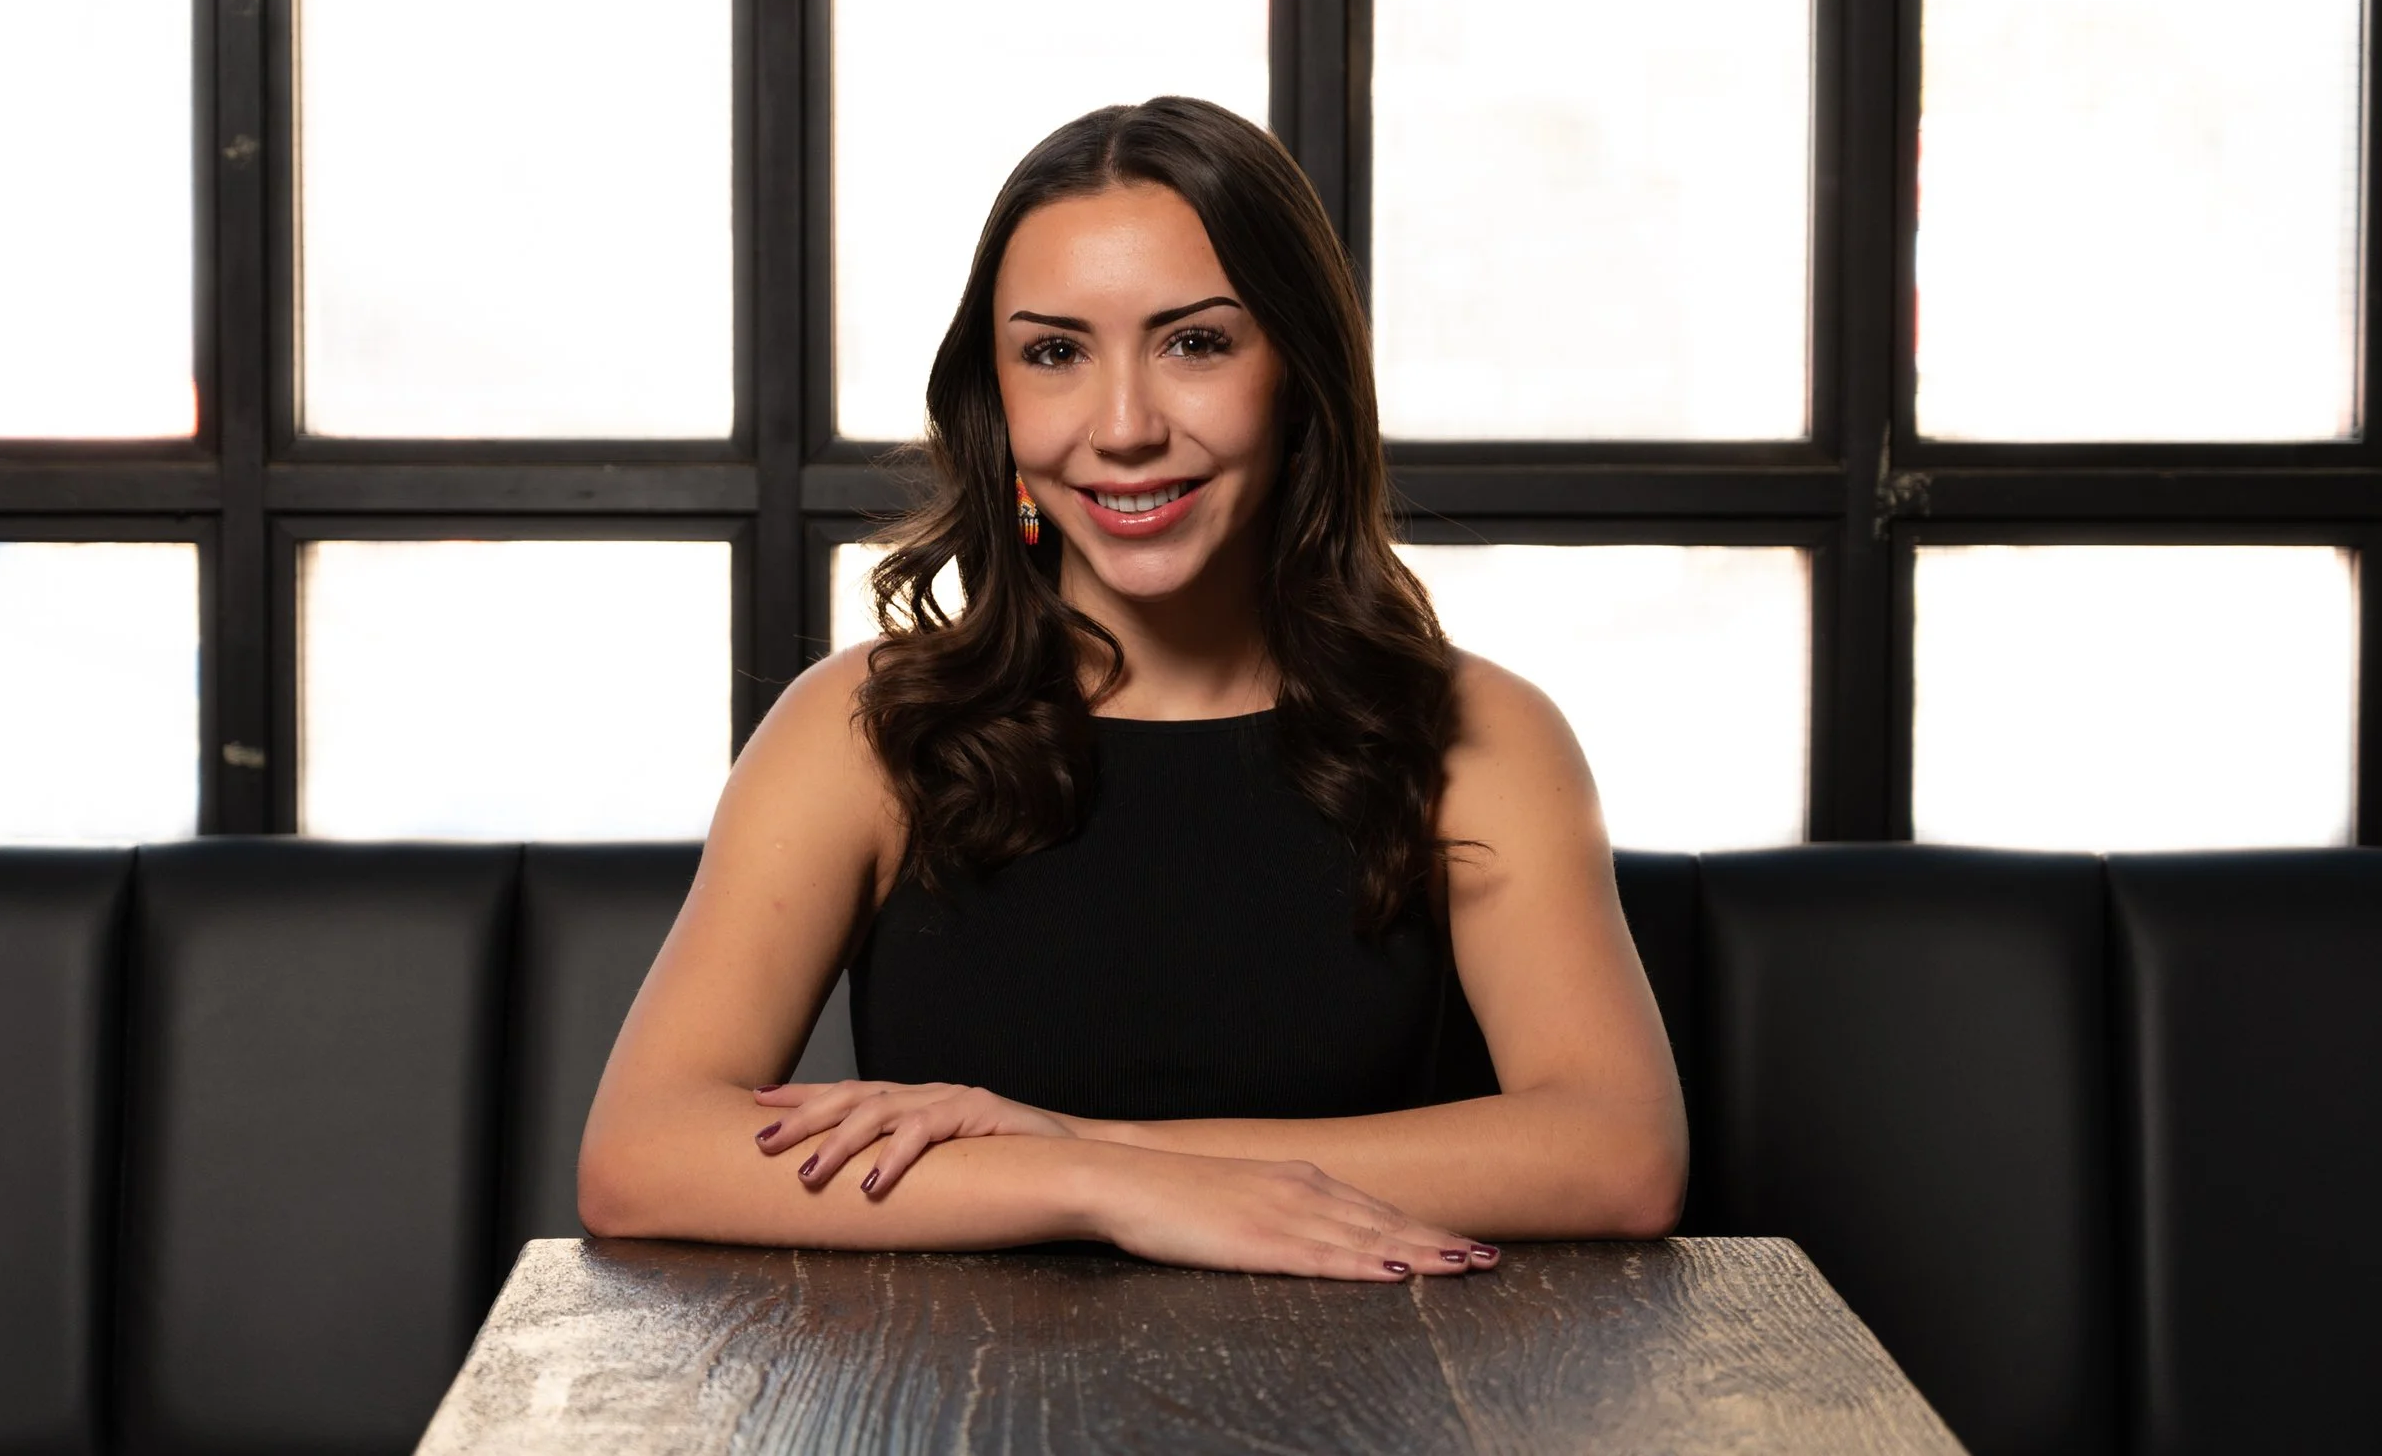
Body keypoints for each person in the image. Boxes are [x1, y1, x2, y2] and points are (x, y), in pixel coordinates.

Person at [577, 97, 1686, 1281]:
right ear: (996, 406)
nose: (1122, 428)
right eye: (1054, 353)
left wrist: (1082, 1137)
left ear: (1298, 376)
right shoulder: (862, 727)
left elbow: (1617, 1154)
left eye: (1196, 343)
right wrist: (1104, 1187)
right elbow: (640, 1154)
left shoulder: (1482, 734)